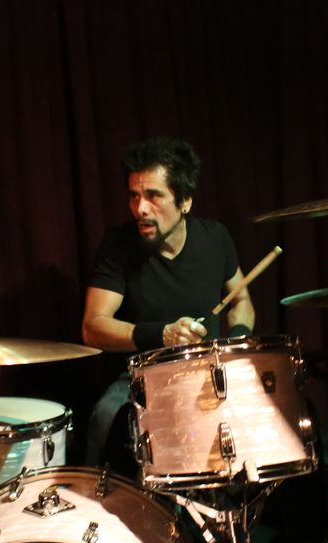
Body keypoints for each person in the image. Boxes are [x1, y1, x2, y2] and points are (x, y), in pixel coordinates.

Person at [81, 136, 254, 471]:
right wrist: (162, 334)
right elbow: (93, 326)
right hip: (142, 377)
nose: (140, 209)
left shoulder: (215, 238)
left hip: (210, 370)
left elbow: (241, 299)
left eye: (153, 196)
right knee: (104, 418)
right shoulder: (118, 246)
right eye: (134, 196)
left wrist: (235, 345)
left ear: (185, 201)